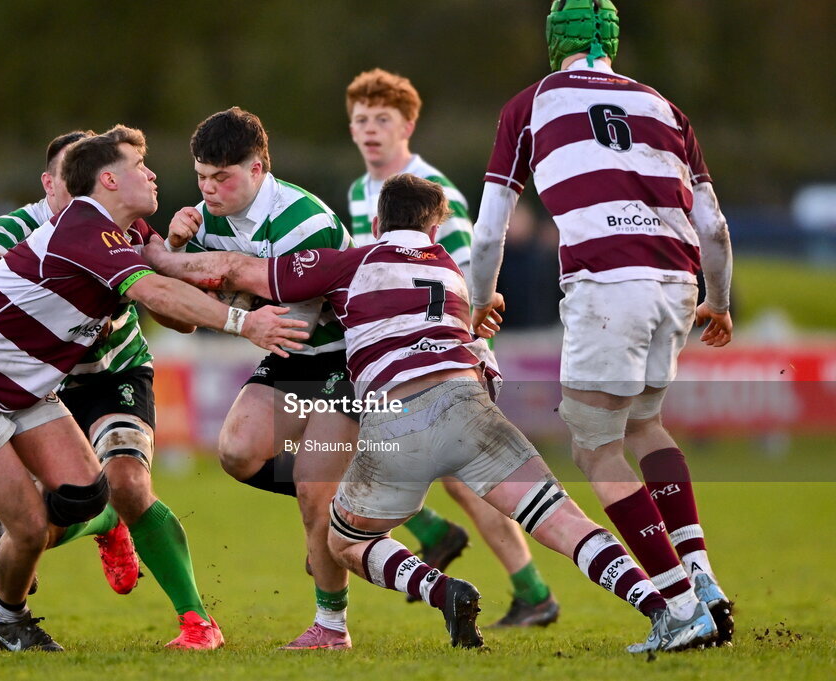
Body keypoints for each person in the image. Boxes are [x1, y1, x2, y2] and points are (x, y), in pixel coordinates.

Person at [145, 173, 719, 652]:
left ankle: (438, 587)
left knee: (344, 540)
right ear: (434, 227)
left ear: (376, 223)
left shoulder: (351, 261)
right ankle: (671, 610)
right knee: (563, 522)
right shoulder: (452, 274)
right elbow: (467, 335)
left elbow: (234, 272)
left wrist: (159, 257)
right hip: (472, 407)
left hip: (399, 416)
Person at [0, 125, 308, 652]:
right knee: (29, 526)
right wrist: (244, 322)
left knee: (90, 492)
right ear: (107, 180)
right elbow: (157, 289)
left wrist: (234, 266)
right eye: (139, 166)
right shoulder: (83, 230)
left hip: (34, 387)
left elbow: (171, 276)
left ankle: (64, 527)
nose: (152, 173)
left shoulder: (126, 228)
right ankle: (10, 619)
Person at [469, 0, 735, 645]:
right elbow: (717, 230)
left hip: (604, 281)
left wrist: (480, 298)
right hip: (675, 280)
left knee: (595, 445)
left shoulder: (529, 105)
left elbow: (486, 234)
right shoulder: (665, 108)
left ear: (554, 40)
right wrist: (719, 300)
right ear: (611, 42)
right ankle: (701, 576)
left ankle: (679, 606)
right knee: (646, 424)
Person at [0, 130, 227, 649]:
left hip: (117, 374)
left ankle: (199, 623)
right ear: (50, 183)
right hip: (48, 387)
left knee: (128, 483)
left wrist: (172, 263)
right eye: (70, 177)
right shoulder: (24, 223)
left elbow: (178, 320)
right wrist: (66, 303)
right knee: (45, 517)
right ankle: (99, 524)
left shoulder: (127, 227)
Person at [345, 68, 559, 627]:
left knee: (467, 477)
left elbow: (462, 279)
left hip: (442, 355)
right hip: (395, 358)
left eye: (382, 120)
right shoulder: (357, 192)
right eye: (361, 120)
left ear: (407, 125)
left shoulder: (434, 194)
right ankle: (511, 578)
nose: (370, 131)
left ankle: (521, 583)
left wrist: (468, 350)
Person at [166, 106, 363, 649]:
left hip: (342, 358)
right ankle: (344, 503)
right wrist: (179, 252)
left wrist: (209, 287)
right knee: (236, 451)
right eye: (202, 177)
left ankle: (332, 628)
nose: (209, 190)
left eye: (222, 178)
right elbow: (180, 315)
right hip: (292, 355)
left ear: (258, 169)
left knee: (312, 495)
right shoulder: (202, 223)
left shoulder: (304, 219)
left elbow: (288, 327)